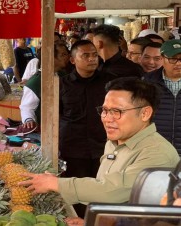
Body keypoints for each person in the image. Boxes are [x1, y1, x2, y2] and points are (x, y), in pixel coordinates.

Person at [20, 77, 180, 218]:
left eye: (117, 111)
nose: (107, 119)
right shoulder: (115, 142)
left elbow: (114, 190)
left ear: (145, 114)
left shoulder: (157, 152)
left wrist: (57, 184)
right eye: (104, 110)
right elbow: (103, 187)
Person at [59, 40, 108, 217]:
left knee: (102, 192)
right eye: (85, 55)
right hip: (73, 148)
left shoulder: (109, 83)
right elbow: (56, 115)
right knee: (76, 193)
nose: (92, 59)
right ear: (73, 60)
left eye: (94, 55)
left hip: (103, 147)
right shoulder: (62, 84)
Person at [20, 43, 70, 129]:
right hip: (46, 128)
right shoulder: (35, 82)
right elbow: (26, 107)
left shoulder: (64, 75)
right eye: (63, 55)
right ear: (52, 58)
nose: (67, 57)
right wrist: (29, 120)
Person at [144, 39, 181, 155]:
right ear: (162, 58)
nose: (179, 63)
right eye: (173, 59)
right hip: (156, 151)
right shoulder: (148, 82)